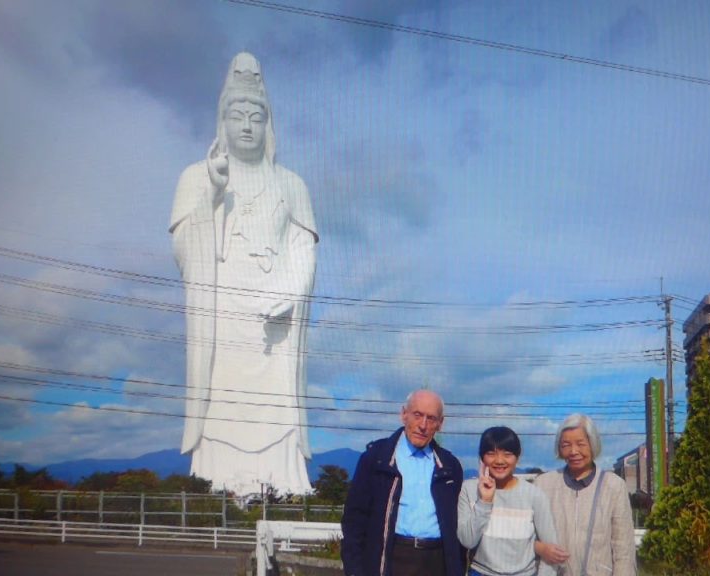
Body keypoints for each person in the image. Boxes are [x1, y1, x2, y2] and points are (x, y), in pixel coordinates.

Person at [169, 52, 319, 496]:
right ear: (222, 121)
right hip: (222, 314)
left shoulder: (292, 184)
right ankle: (215, 482)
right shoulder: (196, 177)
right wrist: (212, 197)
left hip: (273, 317)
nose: (247, 126)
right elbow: (182, 249)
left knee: (277, 402)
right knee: (223, 397)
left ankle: (286, 485)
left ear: (269, 123)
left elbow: (303, 248)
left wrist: (291, 290)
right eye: (238, 115)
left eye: (257, 116)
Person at [341, 390, 464, 576]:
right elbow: (354, 521)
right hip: (393, 557)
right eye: (417, 415)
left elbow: (457, 528)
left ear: (440, 424)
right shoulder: (377, 459)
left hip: (437, 560)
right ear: (403, 414)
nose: (423, 425)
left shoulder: (449, 466)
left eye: (431, 418)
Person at [533, 414, 637, 576]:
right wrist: (540, 548)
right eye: (566, 445)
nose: (574, 451)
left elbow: (623, 547)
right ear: (559, 448)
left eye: (581, 444)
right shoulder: (544, 484)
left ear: (593, 444)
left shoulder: (614, 486)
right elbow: (525, 535)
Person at [458, 426, 559, 576]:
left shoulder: (534, 495)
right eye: (491, 453)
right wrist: (485, 501)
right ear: (482, 458)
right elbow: (467, 540)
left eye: (507, 454)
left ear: (517, 458)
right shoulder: (469, 489)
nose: (499, 461)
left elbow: (550, 550)